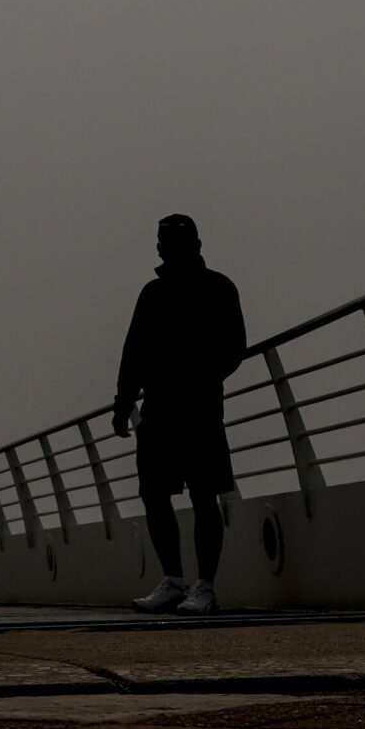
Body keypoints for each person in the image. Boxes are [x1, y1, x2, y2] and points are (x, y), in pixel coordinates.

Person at [113, 213, 246, 616]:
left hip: (201, 409)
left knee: (204, 494)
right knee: (154, 494)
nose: (168, 248)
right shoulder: (152, 294)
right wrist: (123, 403)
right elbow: (133, 351)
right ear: (159, 247)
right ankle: (173, 580)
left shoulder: (219, 287)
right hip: (158, 410)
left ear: (197, 245)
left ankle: (204, 586)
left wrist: (200, 379)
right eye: (165, 241)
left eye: (177, 241)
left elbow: (233, 346)